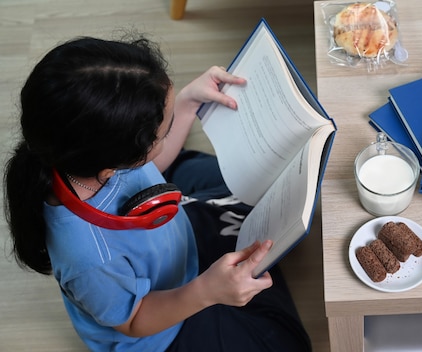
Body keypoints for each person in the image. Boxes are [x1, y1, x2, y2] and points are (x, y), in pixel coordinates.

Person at [3, 34, 312, 352]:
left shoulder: (88, 156)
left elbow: (153, 167)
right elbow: (134, 321)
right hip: (160, 328)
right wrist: (206, 291)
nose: (174, 124)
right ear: (118, 161)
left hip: (180, 248)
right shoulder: (89, 258)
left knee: (264, 187)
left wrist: (189, 102)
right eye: (166, 129)